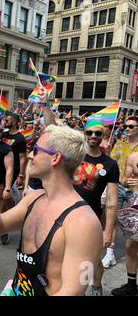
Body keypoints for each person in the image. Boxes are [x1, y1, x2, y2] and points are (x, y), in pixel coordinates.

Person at [0, 125, 103, 296]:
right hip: (19, 291)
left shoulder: (84, 222)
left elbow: (74, 291)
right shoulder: (34, 199)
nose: (30, 155)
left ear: (55, 158)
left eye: (36, 150)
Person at [73, 120, 119, 296]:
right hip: (66, 215)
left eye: (98, 133)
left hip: (90, 218)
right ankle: (77, 290)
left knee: (90, 259)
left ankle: (96, 286)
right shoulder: (74, 155)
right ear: (84, 133)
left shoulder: (110, 164)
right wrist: (45, 105)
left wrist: (107, 231)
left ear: (103, 136)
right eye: (89, 132)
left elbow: (112, 201)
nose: (93, 136)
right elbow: (52, 130)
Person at [106, 116, 138, 269]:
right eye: (126, 126)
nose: (127, 128)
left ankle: (132, 254)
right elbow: (112, 163)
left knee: (133, 226)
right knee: (112, 220)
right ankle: (110, 254)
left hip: (136, 191)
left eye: (131, 126)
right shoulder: (119, 144)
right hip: (119, 186)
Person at [111, 151, 138, 296]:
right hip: (134, 202)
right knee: (130, 245)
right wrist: (126, 182)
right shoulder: (133, 157)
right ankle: (131, 285)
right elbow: (124, 180)